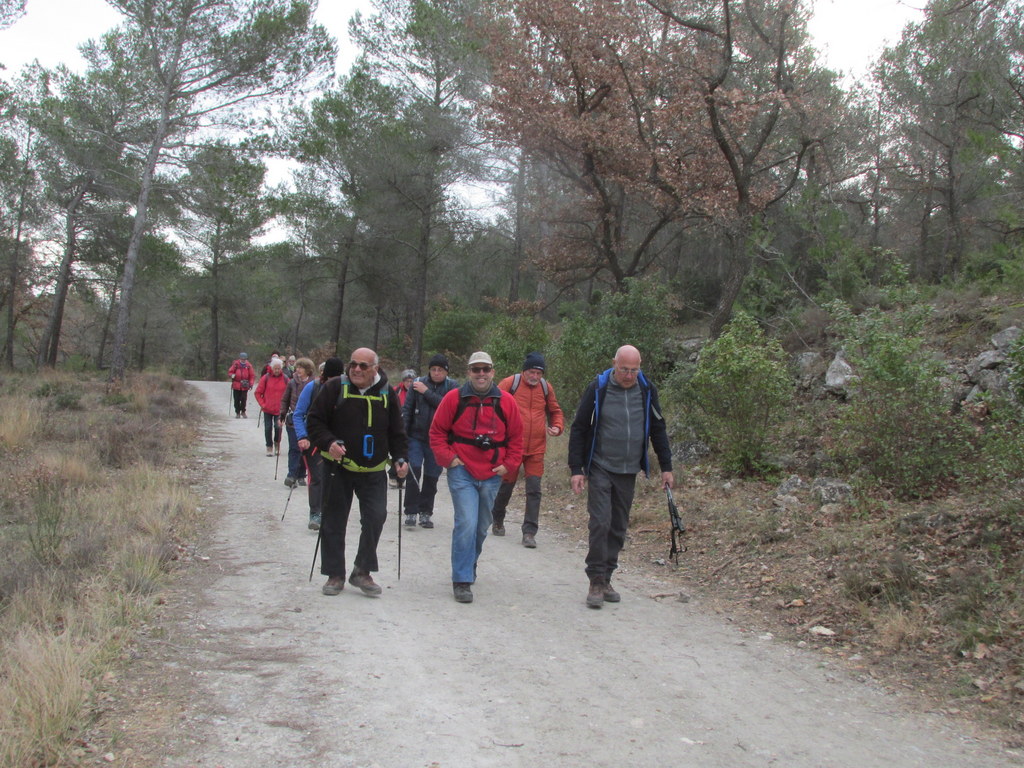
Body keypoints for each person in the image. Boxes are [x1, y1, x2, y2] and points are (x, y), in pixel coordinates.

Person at [568, 344, 674, 609]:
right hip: (601, 466)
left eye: (634, 370)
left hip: (628, 469)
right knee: (600, 522)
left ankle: (607, 578)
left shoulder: (647, 390)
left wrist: (666, 467)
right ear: (614, 363)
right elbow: (580, 427)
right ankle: (595, 579)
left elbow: (658, 429)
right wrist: (577, 469)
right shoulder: (598, 388)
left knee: (618, 526)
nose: (629, 375)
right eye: (624, 369)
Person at [306, 348, 409, 597]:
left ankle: (361, 571)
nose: (357, 369)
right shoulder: (333, 388)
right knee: (333, 520)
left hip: (373, 470)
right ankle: (335, 574)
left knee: (376, 517)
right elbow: (314, 422)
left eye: (363, 366)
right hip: (337, 467)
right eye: (353, 364)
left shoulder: (387, 393)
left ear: (376, 368)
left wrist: (401, 458)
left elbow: (397, 431)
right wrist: (328, 442)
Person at [430, 351, 523, 604]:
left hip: (493, 473)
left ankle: (469, 564)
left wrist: (509, 465)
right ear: (468, 372)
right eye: (475, 369)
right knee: (467, 523)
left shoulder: (506, 402)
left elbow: (517, 438)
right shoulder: (454, 398)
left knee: (482, 526)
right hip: (462, 471)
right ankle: (461, 580)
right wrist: (450, 459)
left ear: (493, 372)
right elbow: (437, 432)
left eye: (485, 369)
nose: (480, 374)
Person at [490, 352, 564, 548]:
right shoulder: (509, 383)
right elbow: (491, 405)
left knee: (534, 490)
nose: (535, 376)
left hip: (536, 448)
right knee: (506, 487)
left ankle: (529, 532)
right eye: (532, 372)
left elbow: (555, 410)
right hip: (513, 447)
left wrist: (557, 426)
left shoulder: (546, 388)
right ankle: (497, 519)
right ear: (524, 371)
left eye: (539, 373)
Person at [401, 353, 458, 528]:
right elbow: (407, 409)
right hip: (416, 436)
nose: (436, 373)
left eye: (440, 370)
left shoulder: (453, 387)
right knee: (414, 471)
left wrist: (426, 392)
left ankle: (425, 512)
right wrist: (403, 436)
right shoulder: (417, 383)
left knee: (432, 477)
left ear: (446, 371)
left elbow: (448, 408)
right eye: (433, 369)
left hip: (439, 440)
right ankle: (410, 512)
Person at [294, 357, 345, 531]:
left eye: (337, 378)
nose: (334, 382)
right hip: (313, 441)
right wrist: (302, 436)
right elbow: (298, 414)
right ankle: (316, 513)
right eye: (331, 378)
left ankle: (331, 513)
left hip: (338, 442)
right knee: (317, 478)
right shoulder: (312, 387)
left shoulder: (346, 389)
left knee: (337, 481)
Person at [280, 357, 314, 487]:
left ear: (308, 370)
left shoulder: (314, 384)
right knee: (294, 448)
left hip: (309, 422)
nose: (298, 369)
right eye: (297, 367)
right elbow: (285, 400)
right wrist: (282, 415)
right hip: (293, 420)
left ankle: (301, 474)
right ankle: (291, 475)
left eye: (301, 367)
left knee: (305, 448)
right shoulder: (291, 383)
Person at [254, 357, 288, 457]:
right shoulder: (265, 378)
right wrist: (263, 404)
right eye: (275, 368)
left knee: (278, 428)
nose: (277, 370)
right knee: (268, 428)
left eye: (279, 368)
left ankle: (277, 444)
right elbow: (257, 393)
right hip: (267, 408)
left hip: (280, 409)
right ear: (271, 368)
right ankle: (269, 446)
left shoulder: (286, 379)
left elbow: (289, 393)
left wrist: (287, 406)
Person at [227, 352, 256, 418]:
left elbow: (252, 376)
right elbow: (230, 372)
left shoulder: (248, 366)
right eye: (242, 359)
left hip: (245, 385)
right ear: (240, 358)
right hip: (236, 384)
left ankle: (243, 411)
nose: (243, 360)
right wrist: (232, 375)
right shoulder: (236, 364)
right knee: (236, 399)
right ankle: (237, 412)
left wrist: (251, 384)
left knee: (243, 399)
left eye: (244, 359)